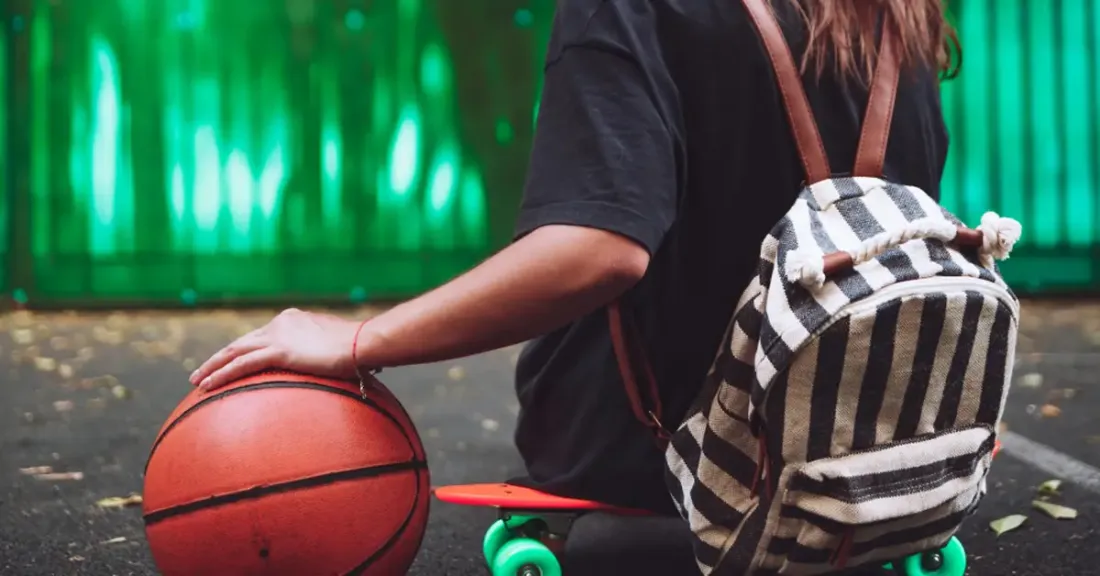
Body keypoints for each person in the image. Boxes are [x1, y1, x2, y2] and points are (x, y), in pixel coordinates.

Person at [190, 0, 958, 571]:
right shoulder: (895, 23)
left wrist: (360, 338)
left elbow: (596, 251)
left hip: (661, 454)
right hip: (862, 451)